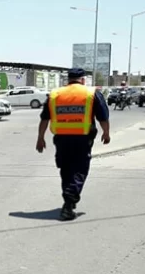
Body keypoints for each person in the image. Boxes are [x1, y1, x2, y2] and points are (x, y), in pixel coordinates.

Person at [36, 68, 110, 221]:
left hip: (61, 139)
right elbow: (103, 116)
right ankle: (68, 204)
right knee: (80, 169)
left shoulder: (55, 94)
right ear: (83, 80)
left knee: (66, 169)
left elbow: (44, 118)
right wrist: (106, 133)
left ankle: (68, 199)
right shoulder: (91, 93)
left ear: (68, 80)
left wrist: (40, 138)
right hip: (82, 139)